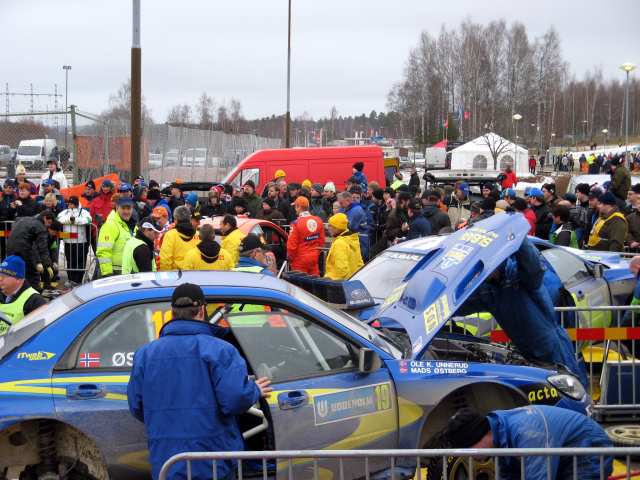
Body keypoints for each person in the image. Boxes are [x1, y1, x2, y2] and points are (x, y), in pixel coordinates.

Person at [128, 283, 272, 480]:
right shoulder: (221, 350)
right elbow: (235, 399)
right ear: (202, 310)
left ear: (172, 313)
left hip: (167, 459)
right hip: (213, 458)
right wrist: (254, 390)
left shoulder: (145, 354)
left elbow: (137, 406)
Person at [458, 235, 587, 386]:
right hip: (527, 355)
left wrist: (517, 234)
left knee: (573, 392)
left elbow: (533, 264)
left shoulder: (520, 276)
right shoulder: (487, 291)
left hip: (554, 351)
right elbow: (459, 306)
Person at [442, 406, 612, 480]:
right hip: (565, 450)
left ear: (478, 437)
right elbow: (507, 475)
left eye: (468, 450)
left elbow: (538, 477)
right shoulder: (499, 431)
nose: (468, 457)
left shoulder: (528, 435)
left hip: (589, 447)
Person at [0, 255, 47, 334]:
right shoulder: (3, 293)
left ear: (19, 279)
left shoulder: (35, 301)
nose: (0, 279)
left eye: (4, 276)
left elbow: (39, 334)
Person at [6, 216, 54, 290]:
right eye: (49, 223)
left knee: (15, 271)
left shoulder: (24, 219)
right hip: (23, 249)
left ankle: (15, 291)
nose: (48, 225)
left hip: (10, 247)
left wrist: (39, 262)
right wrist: (47, 265)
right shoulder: (40, 227)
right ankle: (34, 294)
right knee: (32, 273)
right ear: (44, 218)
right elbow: (42, 248)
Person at [96, 197, 136, 276]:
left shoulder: (131, 224)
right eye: (123, 208)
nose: (126, 211)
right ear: (117, 208)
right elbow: (103, 251)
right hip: (114, 272)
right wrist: (107, 273)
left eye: (129, 208)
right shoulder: (111, 225)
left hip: (125, 270)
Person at [57, 196, 93, 284]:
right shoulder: (64, 212)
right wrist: (70, 220)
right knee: (70, 261)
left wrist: (76, 220)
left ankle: (78, 280)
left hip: (81, 241)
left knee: (80, 261)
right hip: (68, 241)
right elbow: (58, 218)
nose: (70, 205)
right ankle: (71, 279)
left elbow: (88, 220)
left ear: (76, 204)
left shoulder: (83, 212)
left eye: (72, 204)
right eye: (69, 204)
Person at [287, 196, 325, 275]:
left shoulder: (295, 223)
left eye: (295, 207)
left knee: (299, 285)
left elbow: (291, 246)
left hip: (299, 259)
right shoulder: (318, 220)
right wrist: (315, 253)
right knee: (314, 284)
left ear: (298, 207)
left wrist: (291, 258)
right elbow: (321, 241)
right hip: (314, 258)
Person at [324, 213, 364, 281]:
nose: (328, 228)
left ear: (337, 228)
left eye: (331, 225)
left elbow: (342, 270)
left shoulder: (339, 243)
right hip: (353, 280)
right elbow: (359, 263)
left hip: (338, 283)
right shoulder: (352, 239)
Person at [159, 206, 199, 271]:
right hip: (193, 275)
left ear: (175, 220)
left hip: (176, 276)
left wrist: (167, 277)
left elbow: (165, 260)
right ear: (189, 218)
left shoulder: (170, 235)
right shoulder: (198, 235)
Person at [338, 191, 369, 261]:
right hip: (354, 242)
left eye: (341, 203)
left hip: (360, 242)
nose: (340, 205)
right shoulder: (346, 208)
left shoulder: (356, 210)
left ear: (348, 200)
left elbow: (349, 227)